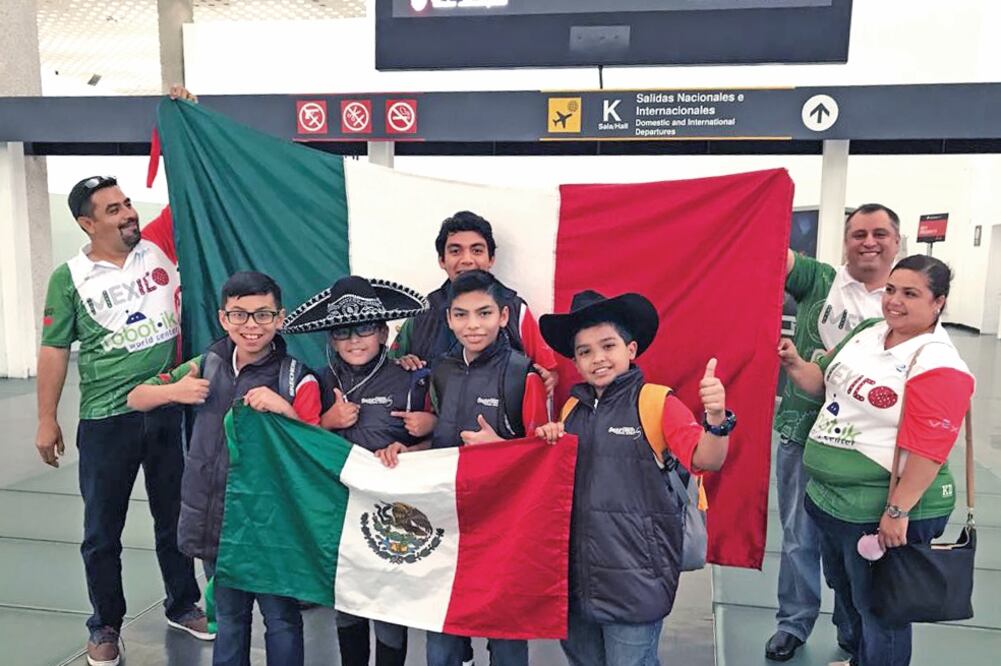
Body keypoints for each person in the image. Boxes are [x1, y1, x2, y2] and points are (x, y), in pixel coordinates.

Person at [35, 176, 208, 666]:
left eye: (127, 203)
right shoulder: (68, 278)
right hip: (107, 419)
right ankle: (105, 624)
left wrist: (183, 114)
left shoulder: (155, 247)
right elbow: (53, 350)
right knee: (101, 532)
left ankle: (183, 603)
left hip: (167, 407)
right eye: (113, 209)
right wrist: (46, 419)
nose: (128, 213)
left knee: (174, 516)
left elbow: (192, 179)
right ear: (87, 223)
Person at [778, 255, 974, 666]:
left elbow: (928, 449)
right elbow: (822, 382)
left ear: (938, 302)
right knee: (848, 590)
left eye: (910, 294)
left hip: (883, 509)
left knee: (882, 611)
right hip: (833, 503)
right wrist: (795, 363)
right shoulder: (869, 332)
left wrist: (898, 511)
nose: (894, 301)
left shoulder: (938, 361)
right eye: (891, 289)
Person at [127, 271, 321, 666]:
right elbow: (136, 398)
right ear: (223, 318)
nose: (251, 325)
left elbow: (315, 450)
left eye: (263, 315)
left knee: (281, 618)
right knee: (228, 618)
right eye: (240, 315)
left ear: (280, 318)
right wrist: (173, 392)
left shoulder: (296, 377)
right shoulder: (206, 363)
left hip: (273, 525)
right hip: (217, 519)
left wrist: (284, 409)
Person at [533, 289, 732, 666]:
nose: (598, 359)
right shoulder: (572, 407)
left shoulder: (656, 402)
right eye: (585, 351)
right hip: (574, 580)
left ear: (631, 350)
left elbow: (707, 459)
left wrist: (717, 419)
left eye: (607, 345)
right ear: (575, 361)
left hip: (636, 583)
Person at [767, 203, 901, 661]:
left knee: (855, 547)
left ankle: (852, 628)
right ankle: (794, 622)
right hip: (803, 433)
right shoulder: (820, 281)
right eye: (858, 233)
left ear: (897, 242)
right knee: (800, 536)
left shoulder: (904, 299)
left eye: (879, 233)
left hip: (866, 448)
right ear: (844, 241)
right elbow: (770, 253)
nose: (869, 241)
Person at [282, 274, 432, 666]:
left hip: (392, 515)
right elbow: (296, 443)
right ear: (330, 338)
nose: (353, 340)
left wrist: (418, 440)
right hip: (337, 511)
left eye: (364, 328)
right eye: (342, 331)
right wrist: (328, 421)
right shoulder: (315, 378)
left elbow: (442, 446)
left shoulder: (413, 378)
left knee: (387, 605)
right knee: (346, 601)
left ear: (383, 332)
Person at [424, 269, 548, 666]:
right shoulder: (440, 371)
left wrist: (501, 449)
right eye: (461, 315)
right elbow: (435, 437)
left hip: (505, 530)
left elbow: (544, 459)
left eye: (484, 313)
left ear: (503, 317)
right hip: (448, 524)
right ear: (448, 319)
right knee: (443, 641)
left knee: (507, 641)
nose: (473, 325)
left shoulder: (522, 374)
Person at [390, 210, 559, 394]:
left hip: (500, 422)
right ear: (442, 260)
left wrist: (546, 379)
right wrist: (402, 365)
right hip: (437, 422)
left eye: (477, 250)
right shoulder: (422, 314)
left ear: (491, 259)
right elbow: (389, 371)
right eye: (455, 251)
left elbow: (549, 372)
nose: (467, 260)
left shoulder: (515, 310)